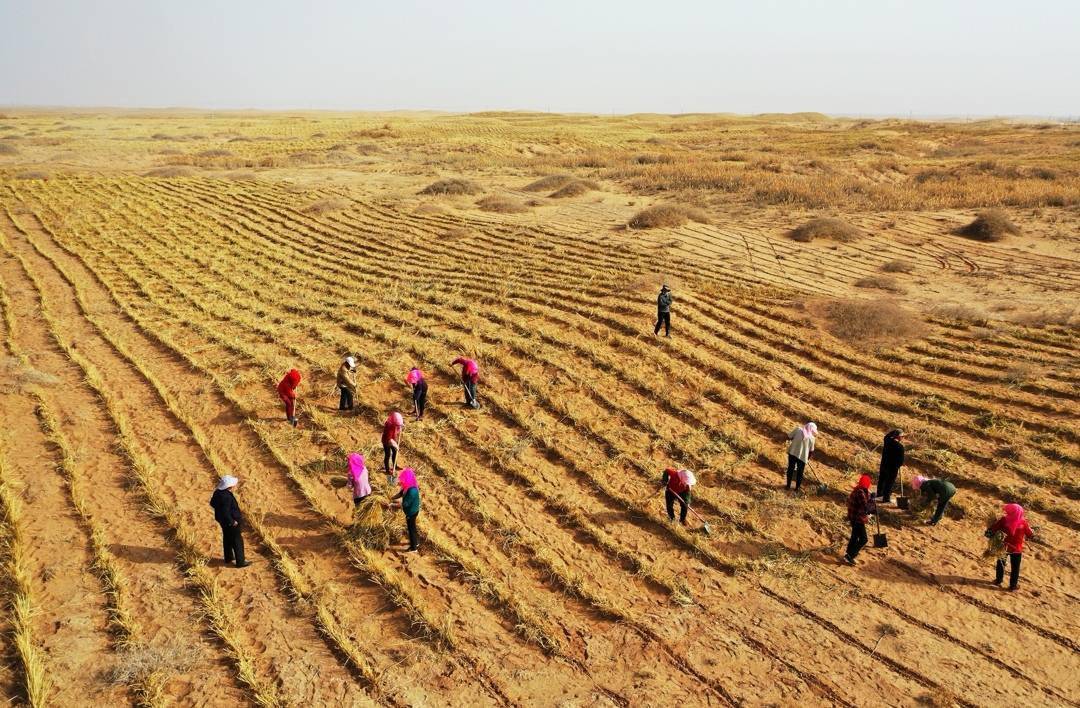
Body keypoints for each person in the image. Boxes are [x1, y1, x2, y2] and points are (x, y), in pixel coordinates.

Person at [986, 503, 1033, 591]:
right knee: (1015, 568)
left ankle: (998, 580)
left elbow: (993, 529)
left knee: (1000, 564)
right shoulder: (1023, 522)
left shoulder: (1004, 520)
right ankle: (1013, 586)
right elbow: (1030, 534)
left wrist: (988, 534)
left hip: (1003, 547)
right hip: (1017, 549)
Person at [209, 475, 249, 568]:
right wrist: (232, 521)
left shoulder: (217, 492)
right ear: (229, 486)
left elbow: (212, 503)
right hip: (231, 521)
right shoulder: (226, 496)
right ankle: (240, 562)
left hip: (222, 520)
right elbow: (225, 511)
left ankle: (229, 557)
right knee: (237, 540)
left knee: (227, 538)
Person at [844, 474, 876, 566]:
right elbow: (866, 507)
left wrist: (871, 498)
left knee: (854, 537)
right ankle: (850, 556)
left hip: (853, 518)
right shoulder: (860, 493)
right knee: (863, 539)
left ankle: (848, 553)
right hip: (858, 519)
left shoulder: (858, 490)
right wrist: (873, 501)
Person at [387, 467, 421, 552]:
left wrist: (392, 505)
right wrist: (392, 497)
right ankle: (416, 542)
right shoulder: (408, 485)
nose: (402, 480)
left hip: (411, 512)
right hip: (411, 510)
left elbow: (404, 504)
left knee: (411, 529)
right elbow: (401, 493)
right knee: (413, 527)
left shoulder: (412, 491)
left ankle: (414, 548)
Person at [785, 422, 817, 492]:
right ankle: (797, 488)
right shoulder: (812, 438)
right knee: (800, 473)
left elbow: (789, 437)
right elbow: (811, 451)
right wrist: (807, 459)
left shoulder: (798, 430)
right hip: (803, 457)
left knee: (790, 469)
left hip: (792, 453)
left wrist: (794, 440)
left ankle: (788, 486)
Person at [877, 429, 906, 503]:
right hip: (892, 468)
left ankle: (879, 495)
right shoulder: (900, 447)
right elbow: (901, 461)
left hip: (884, 465)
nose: (903, 438)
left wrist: (895, 431)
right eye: (902, 436)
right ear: (898, 437)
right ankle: (886, 498)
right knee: (889, 482)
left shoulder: (887, 441)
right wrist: (898, 465)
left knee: (882, 479)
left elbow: (887, 435)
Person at [382, 411, 404, 483]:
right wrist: (395, 445)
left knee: (395, 452)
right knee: (388, 455)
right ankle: (387, 470)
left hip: (392, 439)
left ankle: (395, 465)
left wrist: (401, 426)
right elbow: (389, 440)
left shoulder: (395, 422)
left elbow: (399, 427)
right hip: (386, 441)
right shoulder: (389, 426)